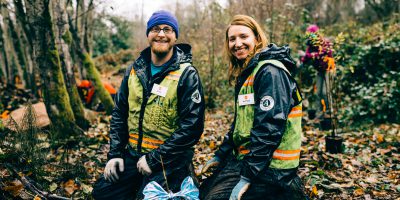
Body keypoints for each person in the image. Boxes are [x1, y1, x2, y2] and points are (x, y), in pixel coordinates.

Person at [92, 10, 205, 199]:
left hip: (169, 160)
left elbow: (192, 127)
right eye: (155, 29)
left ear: (175, 36)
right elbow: (120, 113)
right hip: (133, 155)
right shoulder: (134, 70)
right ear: (148, 35)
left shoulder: (187, 74)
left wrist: (155, 159)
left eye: (167, 29)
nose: (161, 34)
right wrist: (115, 154)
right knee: (103, 193)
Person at [199, 15, 308, 200]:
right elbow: (241, 124)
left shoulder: (270, 72)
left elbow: (269, 128)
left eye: (243, 36)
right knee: (204, 191)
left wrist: (247, 176)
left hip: (274, 169)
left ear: (257, 39)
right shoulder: (249, 73)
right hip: (252, 160)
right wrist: (221, 153)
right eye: (232, 39)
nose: (237, 43)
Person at [301, 24, 335, 120]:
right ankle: (319, 113)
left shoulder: (324, 43)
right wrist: (304, 58)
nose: (311, 37)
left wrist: (312, 55)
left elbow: (324, 53)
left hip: (328, 69)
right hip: (319, 71)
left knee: (325, 92)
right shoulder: (310, 45)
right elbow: (306, 57)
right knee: (318, 93)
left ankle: (329, 111)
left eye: (312, 34)